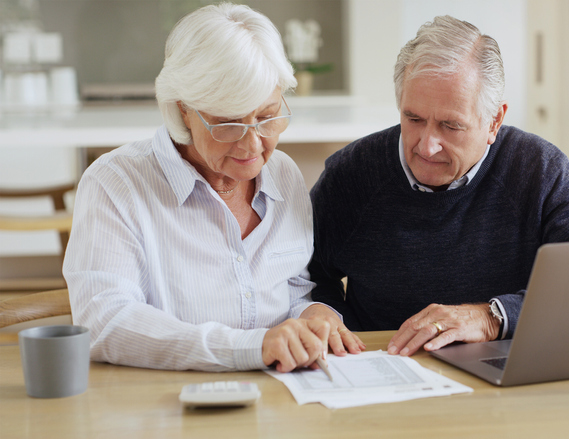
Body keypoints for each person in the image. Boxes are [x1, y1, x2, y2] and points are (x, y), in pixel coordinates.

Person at [63, 3, 363, 372]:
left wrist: (316, 314)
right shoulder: (116, 183)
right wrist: (250, 347)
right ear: (183, 110)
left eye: (268, 116)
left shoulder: (283, 174)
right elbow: (104, 323)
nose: (253, 145)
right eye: (229, 123)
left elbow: (295, 290)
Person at [309, 15, 569, 357]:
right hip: (384, 369)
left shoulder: (537, 170)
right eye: (413, 119)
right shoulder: (353, 173)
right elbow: (301, 273)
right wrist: (327, 314)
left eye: (450, 126)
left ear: (494, 122)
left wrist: (493, 317)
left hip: (504, 376)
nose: (426, 146)